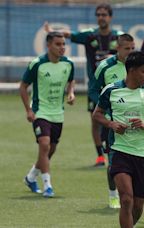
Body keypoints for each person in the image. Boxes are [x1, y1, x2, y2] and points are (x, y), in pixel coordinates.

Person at [45, 3, 123, 166]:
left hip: (116, 87)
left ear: (110, 17)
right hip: (95, 87)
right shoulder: (90, 36)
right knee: (95, 120)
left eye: (104, 14)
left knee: (116, 117)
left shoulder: (119, 37)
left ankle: (116, 152)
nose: (101, 17)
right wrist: (52, 31)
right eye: (98, 15)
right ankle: (100, 155)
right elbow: (69, 34)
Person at [92, 51, 144, 228]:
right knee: (126, 199)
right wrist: (111, 124)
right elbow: (97, 114)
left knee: (138, 206)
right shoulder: (112, 90)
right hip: (119, 151)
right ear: (131, 70)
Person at [20, 31, 75, 198]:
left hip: (58, 114)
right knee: (44, 145)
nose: (62, 48)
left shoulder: (68, 64)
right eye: (58, 44)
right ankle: (47, 186)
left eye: (64, 44)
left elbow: (71, 80)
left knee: (50, 150)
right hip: (40, 112)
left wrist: (70, 93)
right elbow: (23, 86)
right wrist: (28, 110)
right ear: (48, 45)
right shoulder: (37, 64)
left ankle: (30, 177)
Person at [92, 33, 135, 209]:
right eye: (127, 49)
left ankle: (134, 194)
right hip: (111, 124)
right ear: (117, 48)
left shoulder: (137, 66)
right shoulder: (105, 67)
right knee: (113, 162)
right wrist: (106, 112)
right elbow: (94, 90)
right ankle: (113, 195)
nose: (131, 52)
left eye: (133, 48)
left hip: (134, 123)